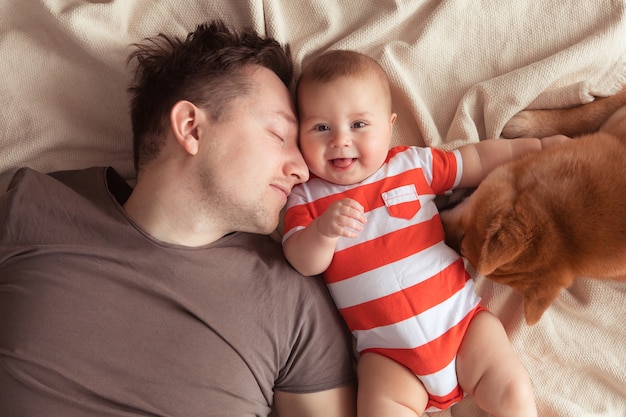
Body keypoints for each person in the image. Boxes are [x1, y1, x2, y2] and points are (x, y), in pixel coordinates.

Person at [0, 21, 357, 417]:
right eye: (278, 134)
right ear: (190, 128)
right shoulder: (30, 208)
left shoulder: (293, 299)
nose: (302, 170)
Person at [282, 50, 567, 416]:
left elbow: (476, 161)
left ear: (389, 125)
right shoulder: (305, 196)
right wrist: (323, 232)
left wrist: (538, 150)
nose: (340, 140)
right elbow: (302, 261)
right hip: (388, 355)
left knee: (511, 389)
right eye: (321, 127)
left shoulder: (411, 164)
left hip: (460, 323)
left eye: (358, 125)